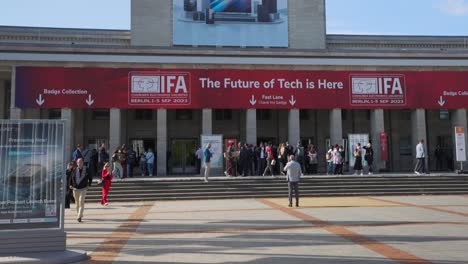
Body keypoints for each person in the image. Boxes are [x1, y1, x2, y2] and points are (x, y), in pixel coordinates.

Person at [69, 158, 92, 222]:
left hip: (83, 188)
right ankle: (79, 214)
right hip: (75, 188)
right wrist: (70, 185)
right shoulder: (74, 170)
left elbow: (90, 177)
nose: (80, 163)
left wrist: (89, 184)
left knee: (81, 202)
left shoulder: (86, 169)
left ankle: (79, 216)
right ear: (77, 163)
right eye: (79, 162)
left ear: (83, 163)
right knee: (77, 203)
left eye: (81, 162)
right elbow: (71, 178)